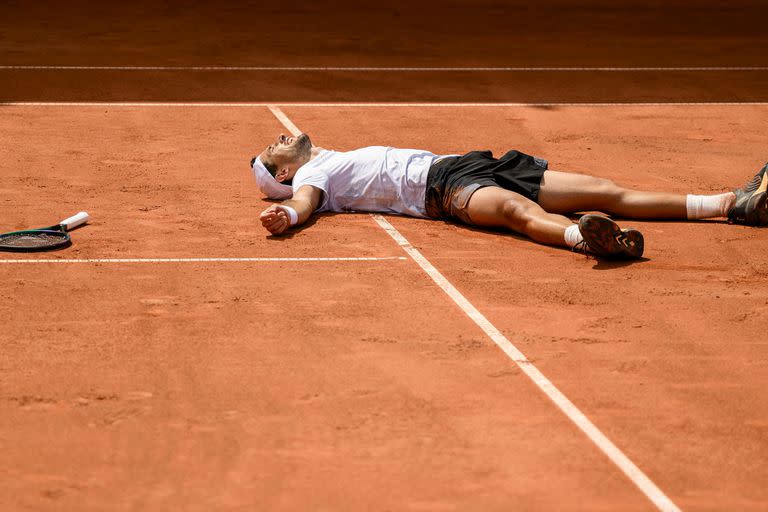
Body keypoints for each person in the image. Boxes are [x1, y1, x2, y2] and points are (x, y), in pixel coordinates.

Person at [251, 133, 767, 258]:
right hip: (445, 191)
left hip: (464, 164)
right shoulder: (309, 179)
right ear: (286, 172)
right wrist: (289, 216)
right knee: (521, 213)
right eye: (272, 154)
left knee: (608, 190)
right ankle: (586, 240)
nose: (277, 140)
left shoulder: (325, 156)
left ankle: (731, 205)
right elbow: (303, 203)